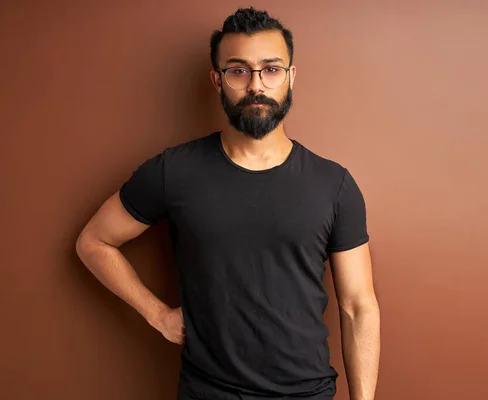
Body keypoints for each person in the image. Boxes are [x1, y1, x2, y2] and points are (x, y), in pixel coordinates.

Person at [76, 7, 380, 400]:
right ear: (217, 81)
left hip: (307, 393)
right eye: (239, 71)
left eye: (271, 69)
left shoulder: (333, 184)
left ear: (290, 76)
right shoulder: (174, 171)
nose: (257, 85)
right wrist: (158, 315)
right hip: (207, 392)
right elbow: (94, 242)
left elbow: (358, 307)